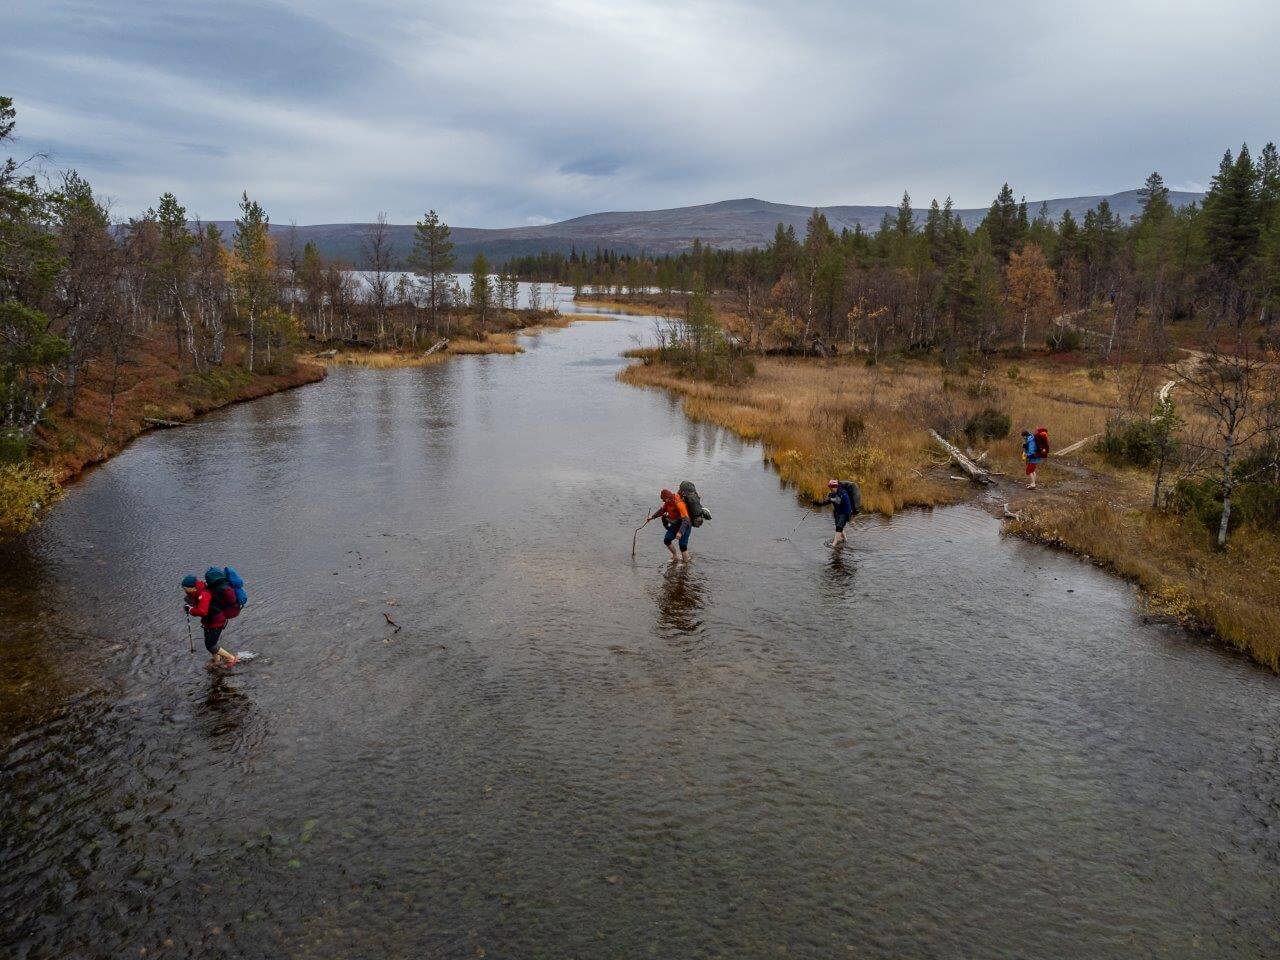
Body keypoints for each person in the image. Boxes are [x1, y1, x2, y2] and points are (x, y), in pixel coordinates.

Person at [183, 570, 239, 668]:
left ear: (193, 588)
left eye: (186, 588)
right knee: (210, 642)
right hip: (210, 621)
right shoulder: (199, 591)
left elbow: (202, 611)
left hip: (216, 621)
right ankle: (217, 660)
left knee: (210, 645)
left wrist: (191, 609)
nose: (184, 590)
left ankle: (231, 658)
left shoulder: (203, 594)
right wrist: (190, 605)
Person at [648, 488, 692, 563]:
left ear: (668, 498)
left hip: (685, 525)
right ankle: (675, 556)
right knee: (667, 540)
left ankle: (686, 563)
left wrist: (680, 532)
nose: (663, 501)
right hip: (676, 523)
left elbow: (686, 519)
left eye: (664, 499)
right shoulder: (668, 502)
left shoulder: (679, 503)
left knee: (682, 546)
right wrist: (652, 517)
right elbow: (662, 510)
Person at [824, 479, 857, 545]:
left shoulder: (843, 493)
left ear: (837, 486)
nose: (832, 488)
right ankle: (845, 540)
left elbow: (839, 501)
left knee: (839, 527)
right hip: (838, 512)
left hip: (845, 513)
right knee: (838, 526)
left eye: (834, 486)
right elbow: (828, 501)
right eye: (831, 487)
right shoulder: (831, 494)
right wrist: (818, 503)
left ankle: (834, 544)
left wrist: (851, 516)